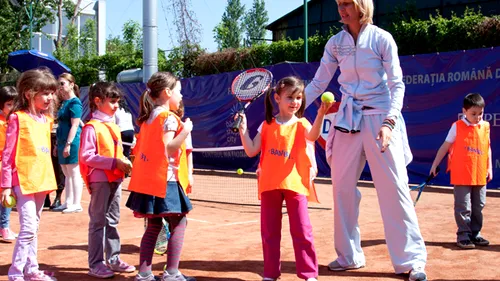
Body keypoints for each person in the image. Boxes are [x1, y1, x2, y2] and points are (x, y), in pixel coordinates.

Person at [303, 1, 427, 280]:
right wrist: (293, 109)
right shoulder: (335, 43)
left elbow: (397, 84)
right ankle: (349, 256)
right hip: (347, 118)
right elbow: (319, 82)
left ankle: (411, 261)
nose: (342, 9)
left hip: (381, 117)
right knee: (341, 188)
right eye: (338, 4)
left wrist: (389, 123)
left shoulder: (382, 39)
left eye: (347, 3)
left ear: (361, 5)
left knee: (394, 190)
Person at [237, 76, 332, 281]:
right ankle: (270, 274)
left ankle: (309, 274)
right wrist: (243, 132)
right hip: (269, 184)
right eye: (290, 97)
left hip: (295, 184)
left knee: (302, 230)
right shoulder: (266, 125)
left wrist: (321, 114)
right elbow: (252, 150)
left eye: (298, 97)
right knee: (270, 233)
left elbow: (313, 136)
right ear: (277, 98)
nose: (295, 102)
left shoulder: (302, 124)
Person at [125, 72, 195, 281]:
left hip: (150, 181)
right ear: (167, 93)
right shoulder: (168, 119)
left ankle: (145, 274)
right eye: (179, 92)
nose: (181, 97)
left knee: (154, 225)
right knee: (179, 223)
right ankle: (172, 273)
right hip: (166, 181)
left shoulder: (148, 119)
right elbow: (168, 149)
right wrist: (186, 130)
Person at [1, 68, 58, 281]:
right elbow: (8, 155)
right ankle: (16, 273)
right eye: (44, 93)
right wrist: (6, 186)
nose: (50, 97)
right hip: (23, 181)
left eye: (51, 93)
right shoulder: (17, 118)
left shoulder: (46, 120)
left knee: (34, 228)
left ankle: (32, 269)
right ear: (28, 94)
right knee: (27, 228)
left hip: (42, 180)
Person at [79, 82, 136, 279]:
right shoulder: (91, 128)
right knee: (98, 222)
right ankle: (95, 264)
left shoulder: (113, 125)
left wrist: (125, 161)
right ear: (97, 101)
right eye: (112, 102)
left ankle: (113, 259)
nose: (116, 106)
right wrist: (114, 162)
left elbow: (118, 152)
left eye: (117, 102)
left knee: (112, 220)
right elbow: (86, 156)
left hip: (116, 179)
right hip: (100, 180)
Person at [430, 93, 492, 249]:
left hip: (480, 174)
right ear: (464, 111)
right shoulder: (456, 126)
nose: (478, 117)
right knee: (463, 207)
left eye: (480, 114)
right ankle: (463, 235)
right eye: (473, 114)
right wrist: (434, 164)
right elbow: (445, 147)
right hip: (462, 174)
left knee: (479, 206)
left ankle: (475, 234)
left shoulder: (485, 126)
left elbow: (488, 148)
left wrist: (489, 167)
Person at [53, 73, 84, 213]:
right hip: (61, 140)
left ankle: (76, 203)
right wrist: (57, 145)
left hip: (71, 141)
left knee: (74, 172)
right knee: (66, 172)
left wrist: (69, 144)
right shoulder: (64, 103)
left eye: (62, 83)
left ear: (71, 84)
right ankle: (68, 201)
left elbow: (75, 125)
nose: (60, 87)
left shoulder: (75, 102)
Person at [0, 86, 18, 242]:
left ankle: (4, 227)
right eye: (8, 104)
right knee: (6, 196)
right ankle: (4, 227)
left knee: (7, 197)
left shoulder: (13, 121)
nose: (12, 108)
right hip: (2, 164)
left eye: (14, 104)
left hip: (8, 165)